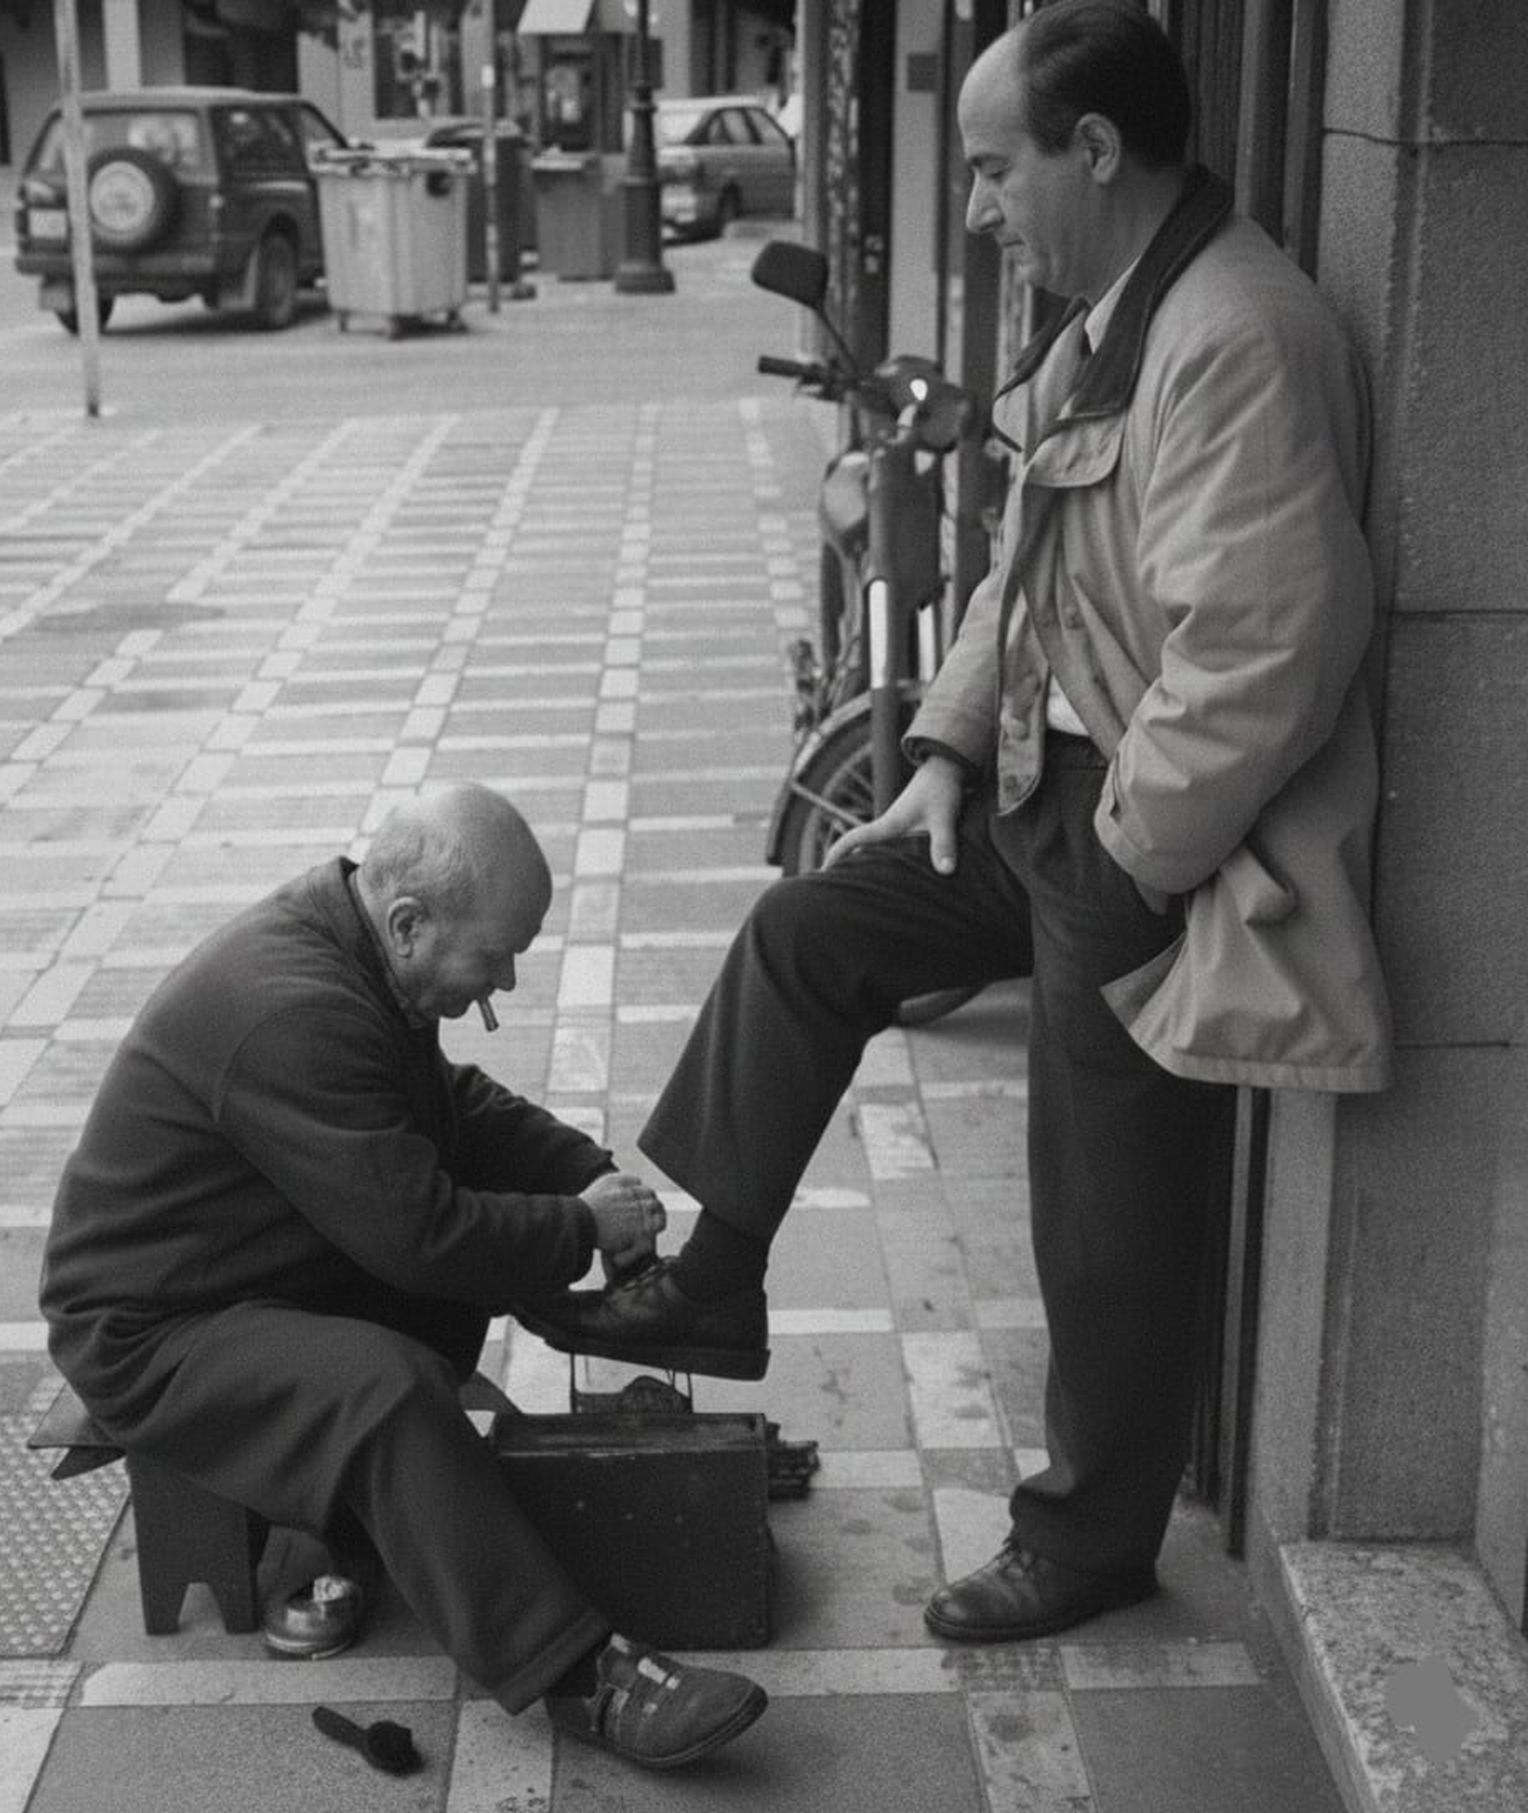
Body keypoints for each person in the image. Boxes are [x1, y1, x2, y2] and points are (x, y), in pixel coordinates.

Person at [519, 0, 1393, 1645]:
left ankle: (1092, 1539)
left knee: (1100, 1201)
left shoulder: (1235, 332)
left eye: (996, 170)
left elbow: (1271, 650)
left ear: (1096, 150)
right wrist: (938, 751)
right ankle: (713, 1284)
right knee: (811, 930)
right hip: (1037, 798)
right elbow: (1021, 573)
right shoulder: (1110, 321)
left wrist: (1130, 855)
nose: (979, 205)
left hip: (1144, 838)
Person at [39, 784, 767, 1772]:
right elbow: (418, 1236)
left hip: (240, 1264)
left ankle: (404, 1502)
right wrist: (576, 1228)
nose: (505, 981)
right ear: (410, 922)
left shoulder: (354, 945)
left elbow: (448, 1106)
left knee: (454, 1287)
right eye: (495, 955)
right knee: (386, 1389)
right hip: (147, 1329)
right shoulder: (293, 1010)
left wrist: (582, 1175)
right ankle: (576, 1674)